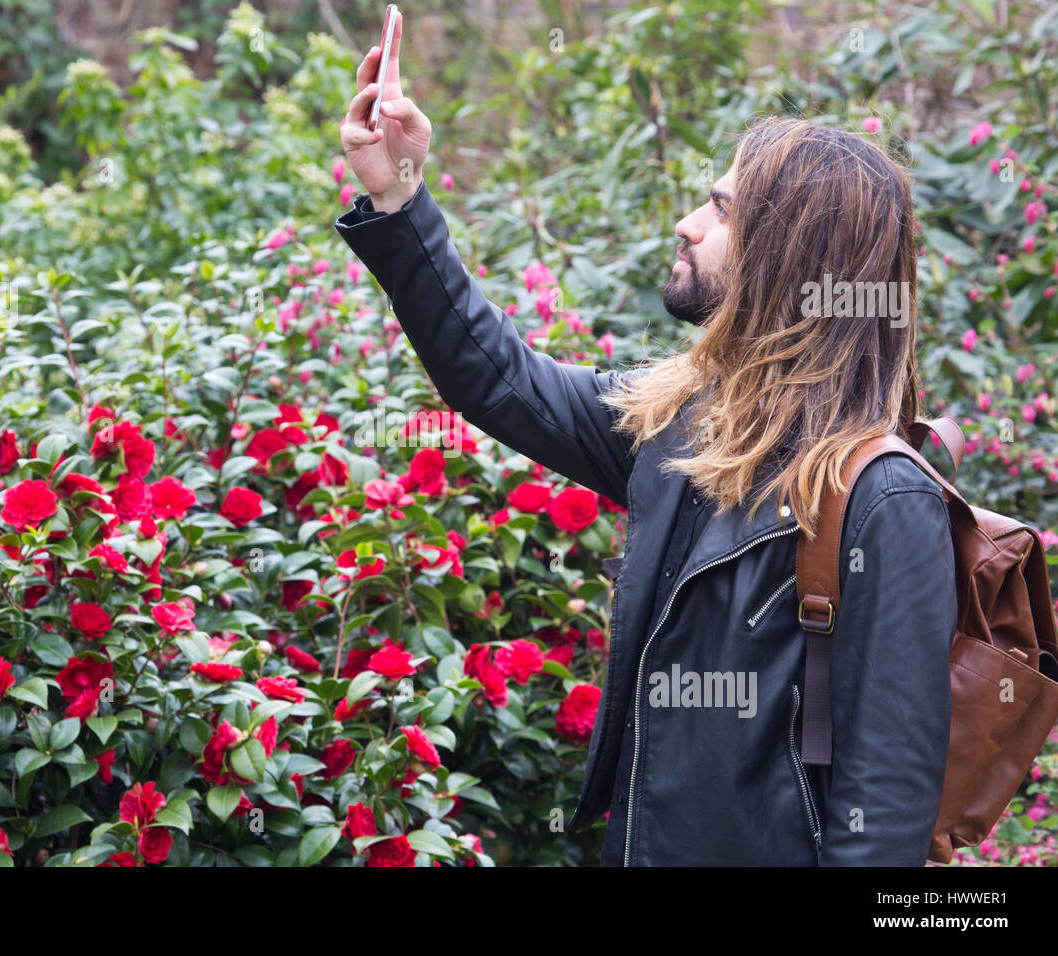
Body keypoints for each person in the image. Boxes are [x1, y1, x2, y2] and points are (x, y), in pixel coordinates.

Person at [334, 12, 956, 866]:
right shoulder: (683, 429)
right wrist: (399, 194)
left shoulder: (884, 501)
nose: (687, 224)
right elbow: (500, 380)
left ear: (782, 256)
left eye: (720, 209)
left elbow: (884, 827)